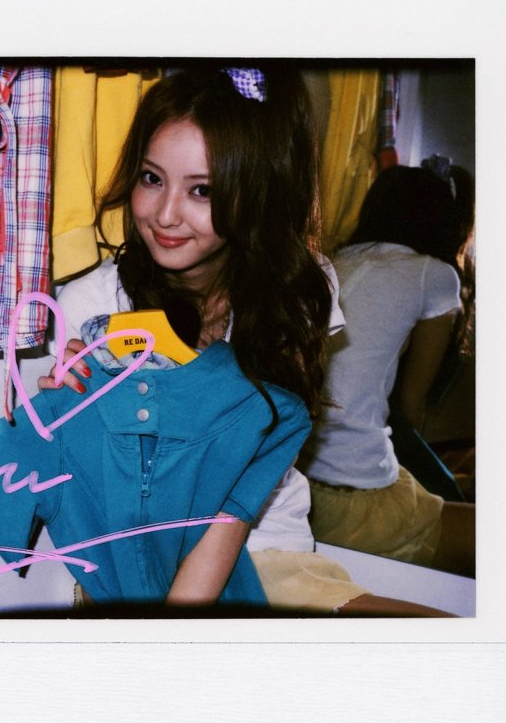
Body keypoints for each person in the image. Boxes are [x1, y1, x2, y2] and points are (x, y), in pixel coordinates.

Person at [32, 66, 451, 616]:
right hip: (139, 562)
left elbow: (249, 478)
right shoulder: (94, 304)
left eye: (202, 190)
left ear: (256, 191)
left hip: (263, 540)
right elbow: (100, 494)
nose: (165, 214)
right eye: (151, 178)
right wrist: (66, 418)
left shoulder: (301, 286)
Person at [299, 163, 476, 577]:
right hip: (353, 491)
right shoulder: (435, 276)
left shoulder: (333, 261)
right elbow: (412, 407)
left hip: (299, 482)